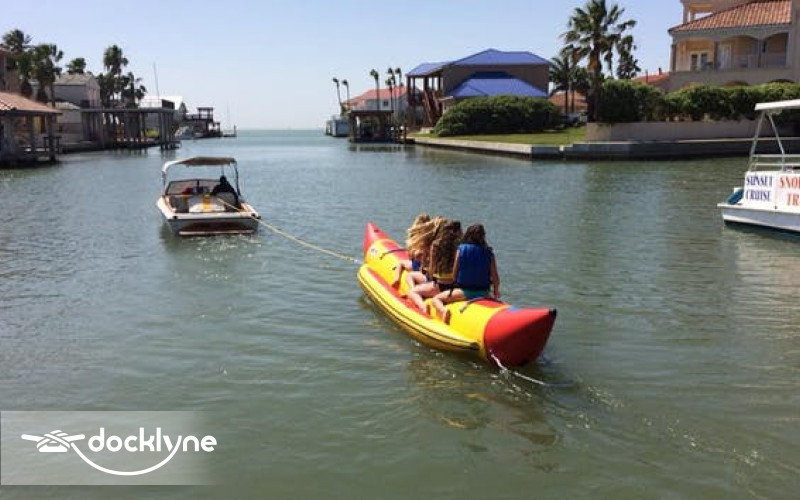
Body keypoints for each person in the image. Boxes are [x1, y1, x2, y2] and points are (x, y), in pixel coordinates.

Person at [431, 223, 499, 324]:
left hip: (465, 292)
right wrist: (496, 293)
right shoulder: (489, 252)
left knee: (436, 299)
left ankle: (444, 310)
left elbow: (454, 274)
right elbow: (495, 277)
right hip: (484, 292)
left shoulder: (461, 249)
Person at [407, 220, 462, 313]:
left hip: (441, 286)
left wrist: (428, 275)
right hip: (457, 286)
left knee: (412, 292)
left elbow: (432, 270)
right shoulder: (460, 246)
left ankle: (423, 307)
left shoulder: (436, 245)